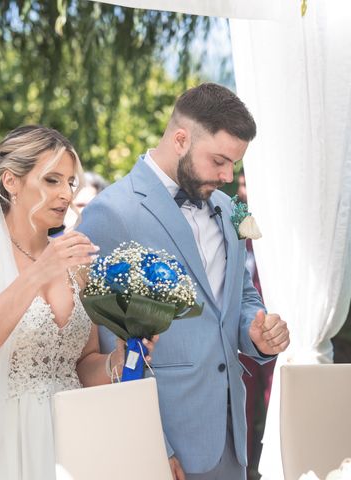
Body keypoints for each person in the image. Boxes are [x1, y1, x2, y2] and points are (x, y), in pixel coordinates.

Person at [79, 83, 290, 480]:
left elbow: (238, 295)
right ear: (180, 139)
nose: (228, 176)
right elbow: (109, 350)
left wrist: (256, 330)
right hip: (165, 442)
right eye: (219, 161)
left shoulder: (229, 210)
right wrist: (153, 444)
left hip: (230, 436)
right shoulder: (112, 213)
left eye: (234, 164)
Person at [0, 125, 155, 479]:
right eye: (52, 180)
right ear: (11, 182)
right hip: (0, 438)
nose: (66, 193)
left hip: (71, 436)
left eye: (70, 182)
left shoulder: (76, 259)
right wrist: (38, 273)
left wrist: (116, 362)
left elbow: (82, 363)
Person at [236, 171, 275, 479]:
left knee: (272, 395)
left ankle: (274, 461)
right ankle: (245, 466)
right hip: (242, 331)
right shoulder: (235, 223)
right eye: (241, 182)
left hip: (272, 326)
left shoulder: (276, 227)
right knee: (243, 400)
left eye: (249, 183)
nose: (243, 189)